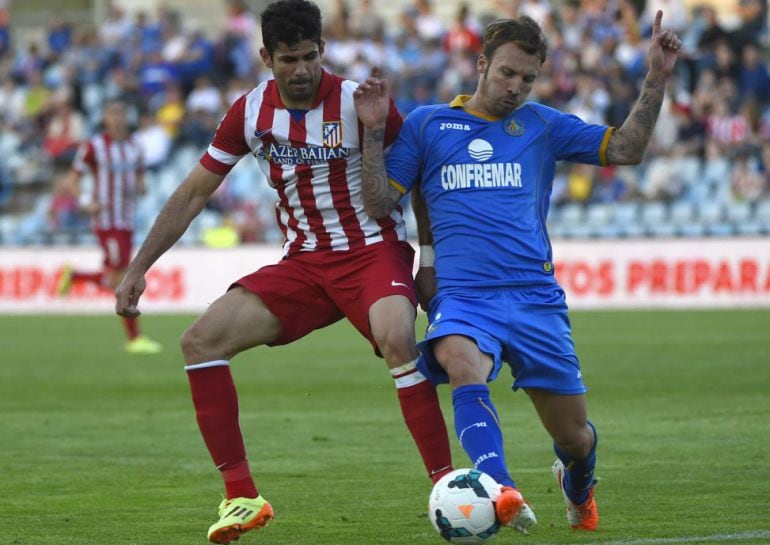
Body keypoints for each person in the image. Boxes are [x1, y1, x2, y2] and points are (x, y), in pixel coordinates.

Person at [114, 1, 453, 543]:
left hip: (372, 253)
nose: (301, 70)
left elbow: (419, 180)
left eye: (311, 56)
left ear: (324, 49)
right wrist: (140, 265)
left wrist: (430, 261)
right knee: (200, 342)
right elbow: (195, 191)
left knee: (396, 336)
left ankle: (447, 485)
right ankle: (242, 497)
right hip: (303, 264)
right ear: (266, 56)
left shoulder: (359, 102)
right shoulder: (248, 112)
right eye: (289, 59)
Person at [355, 11, 681, 533]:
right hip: (465, 297)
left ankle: (577, 484)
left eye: (527, 78)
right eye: (507, 73)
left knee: (575, 438)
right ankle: (499, 489)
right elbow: (376, 203)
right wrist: (373, 132)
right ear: (482, 64)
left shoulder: (541, 126)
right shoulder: (428, 125)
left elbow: (627, 148)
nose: (516, 87)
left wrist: (656, 77)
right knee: (460, 360)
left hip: (534, 299)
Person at [57, 100, 162, 355]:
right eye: (112, 114)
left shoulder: (135, 146)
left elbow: (140, 179)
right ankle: (135, 338)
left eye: (120, 113)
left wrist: (141, 186)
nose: (116, 119)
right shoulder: (94, 147)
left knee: (118, 278)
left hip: (126, 221)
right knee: (124, 278)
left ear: (126, 117)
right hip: (106, 221)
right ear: (105, 118)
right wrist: (85, 203)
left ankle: (76, 276)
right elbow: (72, 180)